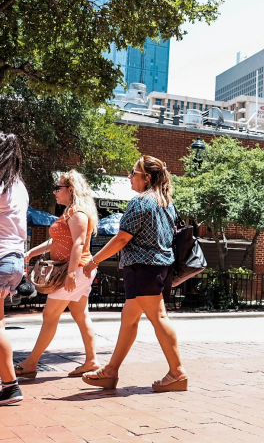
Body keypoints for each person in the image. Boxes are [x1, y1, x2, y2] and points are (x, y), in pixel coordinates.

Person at [82, 155, 187, 392]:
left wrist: (94, 260)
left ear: (146, 177)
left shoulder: (141, 202)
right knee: (129, 321)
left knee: (159, 319)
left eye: (133, 173)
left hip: (143, 269)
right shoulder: (166, 202)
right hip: (158, 268)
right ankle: (110, 371)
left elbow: (121, 238)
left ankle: (177, 372)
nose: (129, 177)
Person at [15, 170, 101, 379]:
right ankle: (91, 360)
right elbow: (58, 242)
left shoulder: (77, 213)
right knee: (81, 315)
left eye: (58, 188)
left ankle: (31, 363)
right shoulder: (69, 213)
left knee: (50, 315)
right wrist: (30, 253)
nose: (54, 192)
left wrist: (71, 273)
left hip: (74, 270)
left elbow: (79, 244)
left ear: (70, 190)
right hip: (77, 270)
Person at [0, 133, 27, 405]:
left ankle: (10, 386)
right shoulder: (17, 185)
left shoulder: (2, 186)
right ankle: (8, 385)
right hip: (13, 260)